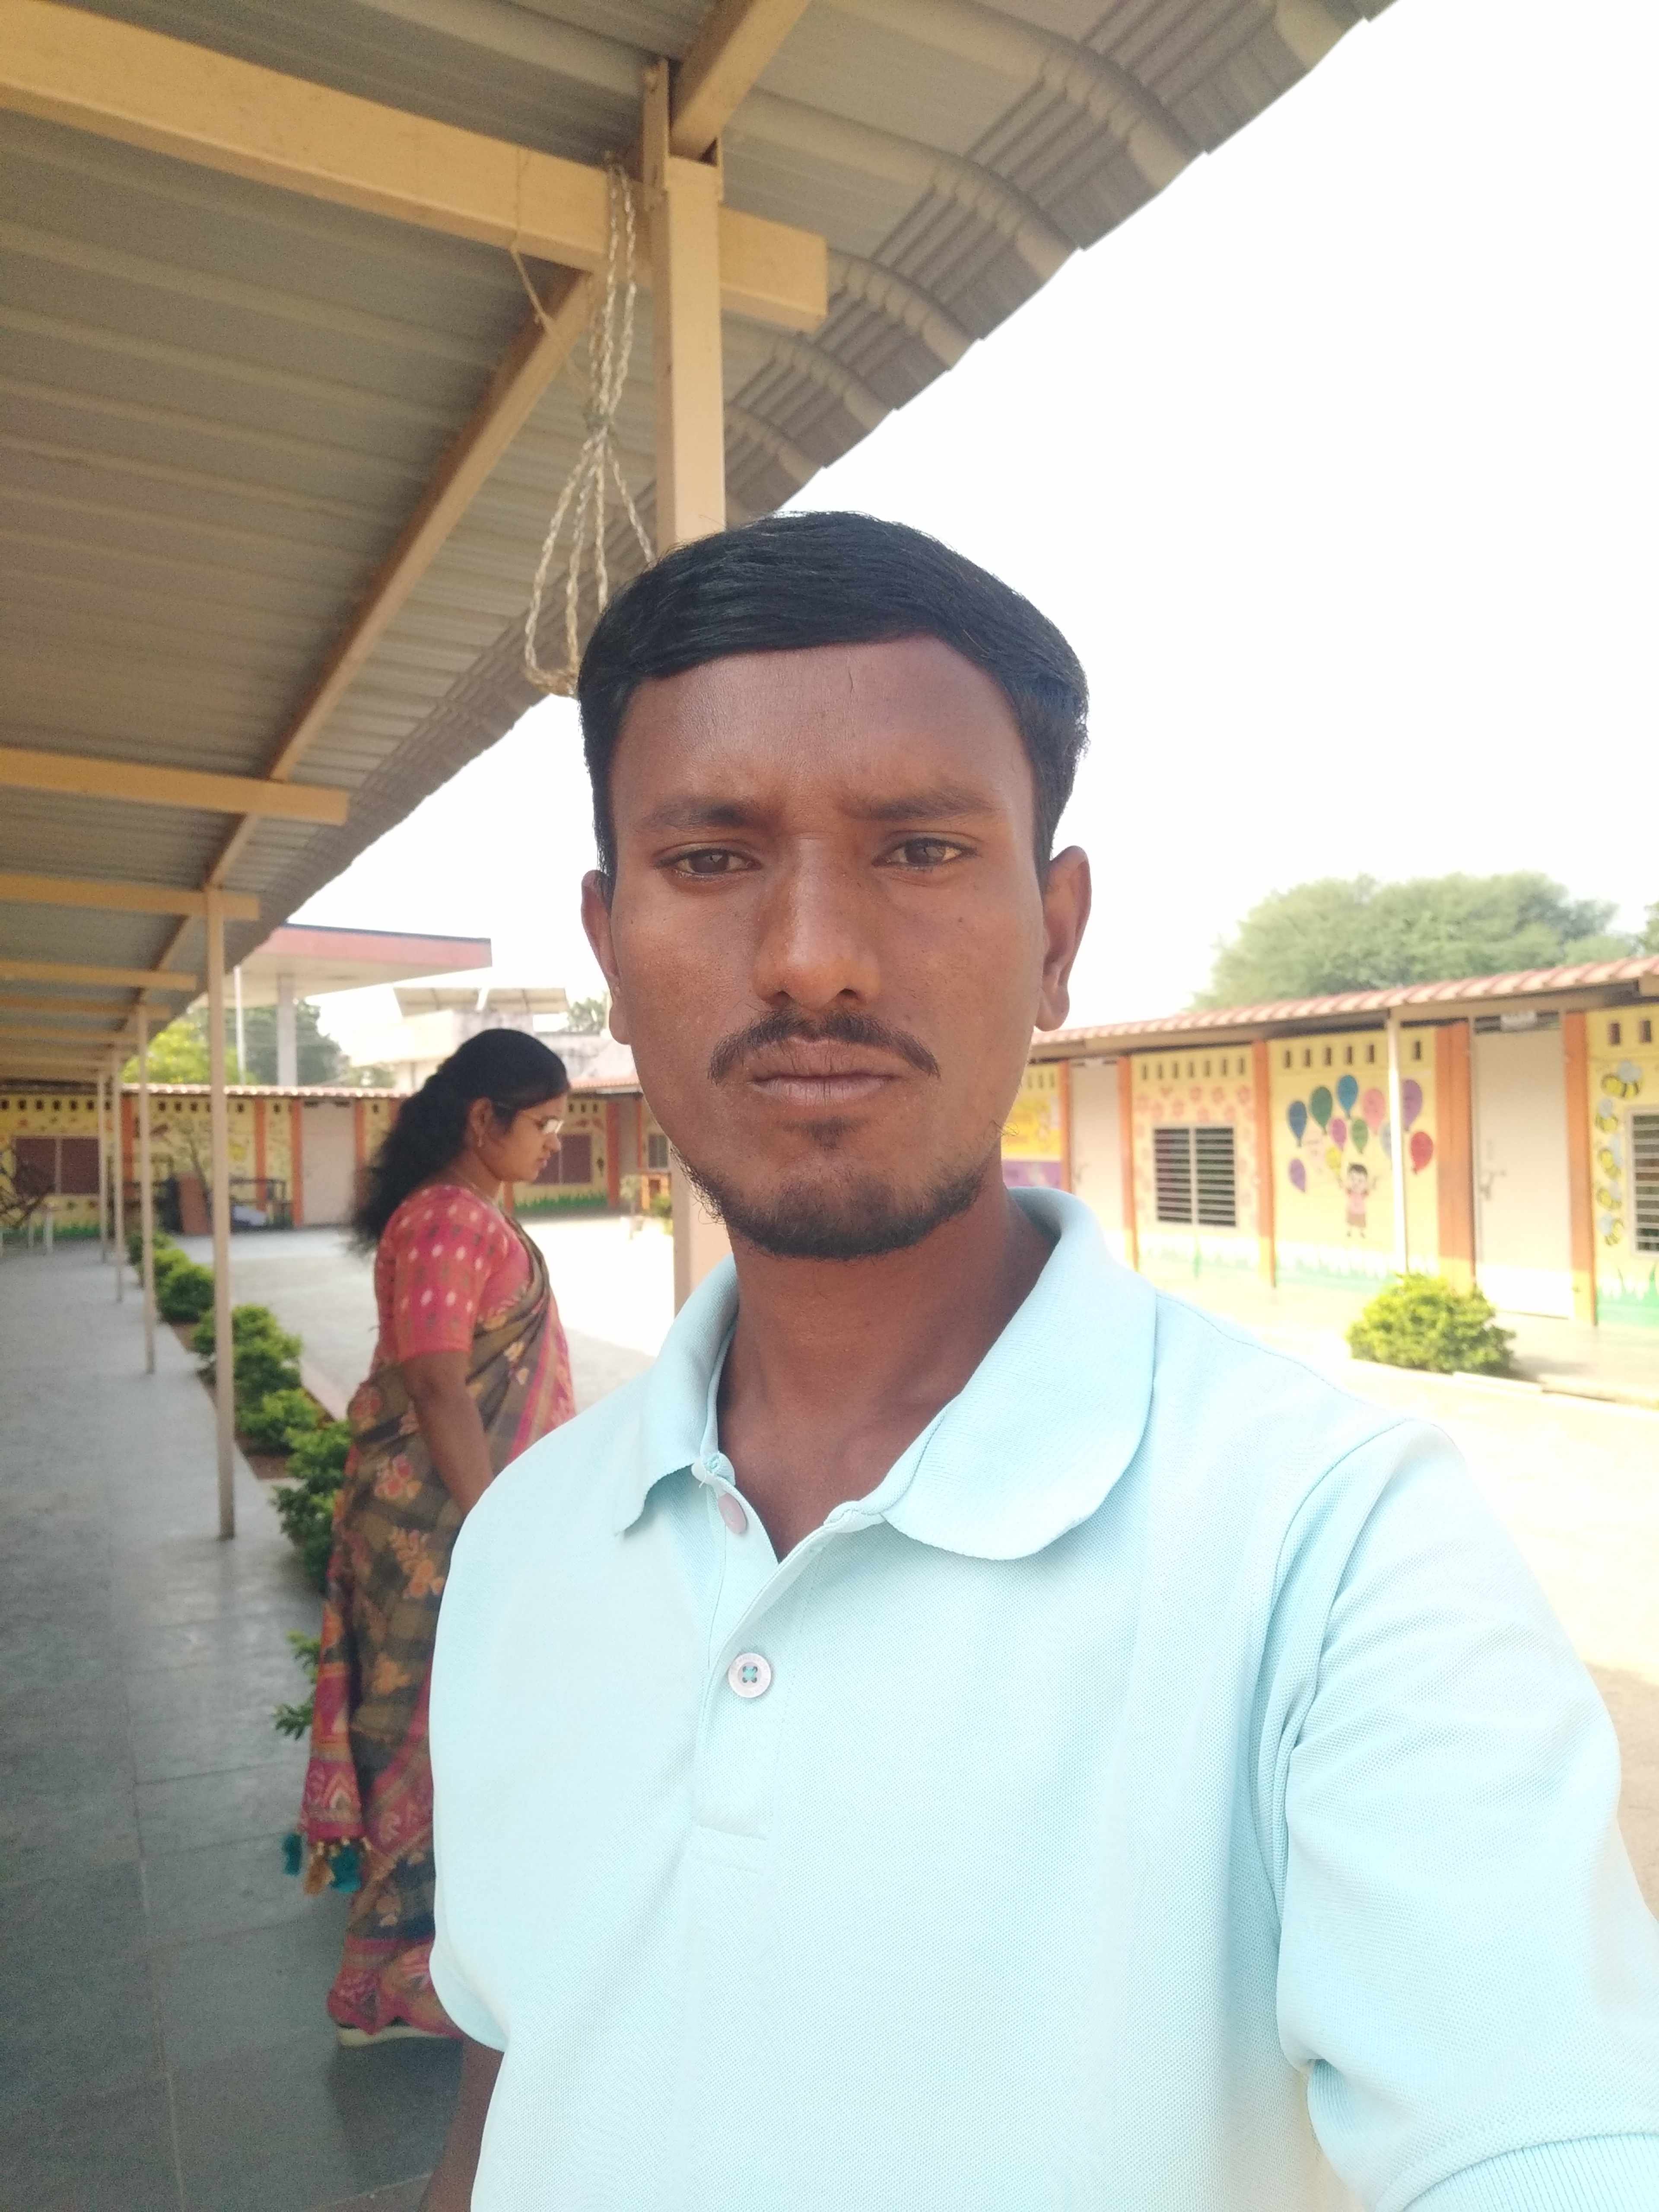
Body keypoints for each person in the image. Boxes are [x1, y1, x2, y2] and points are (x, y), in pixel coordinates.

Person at [421, 515, 1659, 2207]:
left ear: (1060, 934)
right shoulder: (526, 1544)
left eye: (921, 849)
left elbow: (1549, 2122)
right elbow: (516, 2067)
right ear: (610, 946)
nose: (812, 955)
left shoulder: (1335, 1549)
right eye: (711, 858)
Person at [290, 1028, 575, 2047]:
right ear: (483, 1119)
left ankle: (448, 1953)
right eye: (541, 1122)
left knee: (461, 1729)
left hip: (452, 1521)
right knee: (424, 1732)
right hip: (436, 1530)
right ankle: (392, 1981)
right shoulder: (449, 1217)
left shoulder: (468, 1212)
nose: (553, 1140)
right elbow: (437, 1380)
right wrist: (494, 1525)